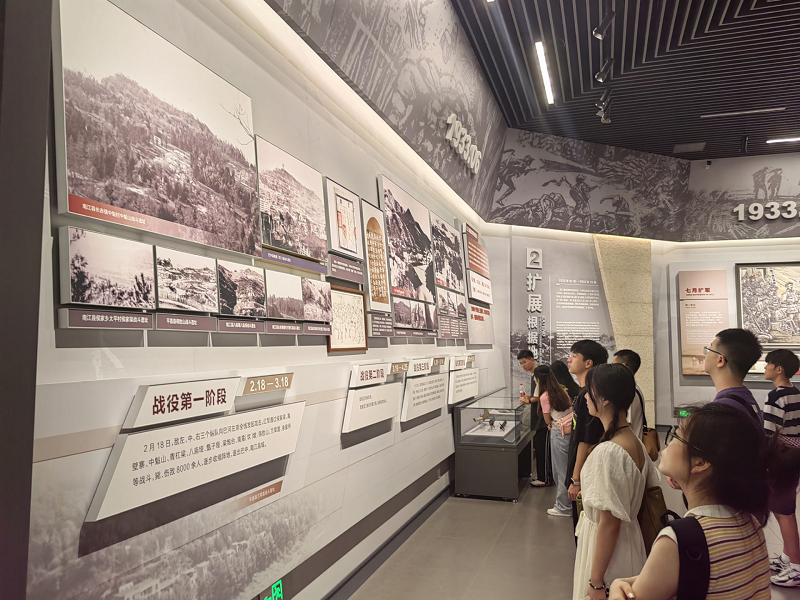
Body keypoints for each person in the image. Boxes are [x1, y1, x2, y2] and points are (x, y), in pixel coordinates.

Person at [609, 403, 800, 600]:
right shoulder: (749, 523)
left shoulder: (677, 541)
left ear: (699, 463)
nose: (668, 442)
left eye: (676, 435)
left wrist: (616, 587)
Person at [572, 363, 660, 600]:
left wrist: (596, 581)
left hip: (609, 551)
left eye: (590, 391)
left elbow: (609, 524)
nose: (586, 397)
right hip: (629, 541)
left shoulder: (609, 451)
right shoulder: (632, 440)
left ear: (605, 399)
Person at [763, 348, 800, 586]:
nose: (765, 367)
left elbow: (768, 434)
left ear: (779, 369)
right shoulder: (796, 393)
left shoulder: (776, 397)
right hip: (794, 456)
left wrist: (762, 462)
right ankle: (788, 556)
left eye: (768, 364)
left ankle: (796, 566)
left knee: (784, 511)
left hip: (780, 457)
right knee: (783, 508)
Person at [566, 340, 609, 533]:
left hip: (584, 472)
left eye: (574, 356)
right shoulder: (585, 392)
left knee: (584, 526)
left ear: (588, 363)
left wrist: (576, 479)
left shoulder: (588, 395)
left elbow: (587, 439)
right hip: (582, 467)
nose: (569, 360)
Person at [534, 363, 574, 517]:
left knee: (560, 470)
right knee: (568, 468)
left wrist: (550, 424)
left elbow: (547, 419)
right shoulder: (562, 390)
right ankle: (570, 502)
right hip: (570, 429)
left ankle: (563, 506)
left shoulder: (545, 396)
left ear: (539, 379)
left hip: (559, 431)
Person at [704, 328, 763, 420]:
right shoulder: (744, 397)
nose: (706, 354)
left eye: (709, 349)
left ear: (720, 360)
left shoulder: (724, 409)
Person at [517, 349, 553, 487]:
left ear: (532, 359)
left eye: (524, 362)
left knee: (542, 448)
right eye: (521, 363)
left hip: (542, 418)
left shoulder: (538, 374)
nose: (523, 365)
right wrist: (529, 397)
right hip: (540, 416)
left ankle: (545, 478)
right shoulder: (534, 375)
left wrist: (529, 400)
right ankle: (544, 477)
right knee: (539, 447)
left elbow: (540, 396)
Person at [613, 350, 644, 439]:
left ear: (623, 366)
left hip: (626, 444)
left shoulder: (628, 391)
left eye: (613, 365)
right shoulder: (634, 388)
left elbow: (625, 425)